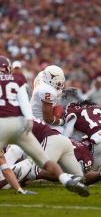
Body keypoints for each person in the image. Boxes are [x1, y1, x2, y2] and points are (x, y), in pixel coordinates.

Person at [0, 55, 89, 197]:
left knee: (16, 157)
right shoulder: (22, 82)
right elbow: (38, 112)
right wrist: (60, 121)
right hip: (32, 125)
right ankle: (62, 179)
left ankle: (16, 176)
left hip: (13, 124)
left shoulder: (42, 82)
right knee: (41, 162)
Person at [31, 65, 65, 131]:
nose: (60, 84)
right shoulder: (48, 91)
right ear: (50, 80)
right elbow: (48, 119)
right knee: (61, 130)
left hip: (33, 115)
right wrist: (62, 122)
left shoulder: (42, 77)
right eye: (58, 82)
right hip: (39, 122)